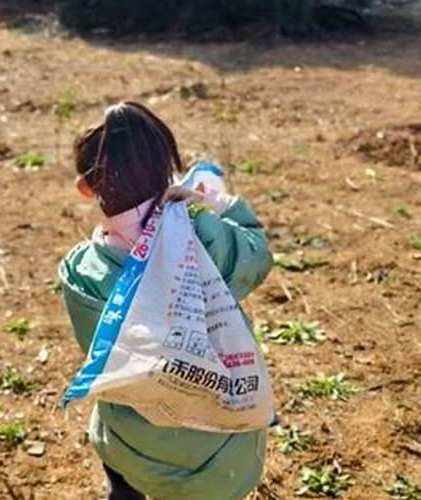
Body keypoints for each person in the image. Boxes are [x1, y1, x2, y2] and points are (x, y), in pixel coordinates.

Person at [58, 101, 273, 500]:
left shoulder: (82, 273)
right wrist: (220, 206)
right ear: (168, 170)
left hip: (132, 447)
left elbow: (101, 352)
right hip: (218, 458)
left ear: (85, 188)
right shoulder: (205, 235)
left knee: (123, 485)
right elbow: (257, 254)